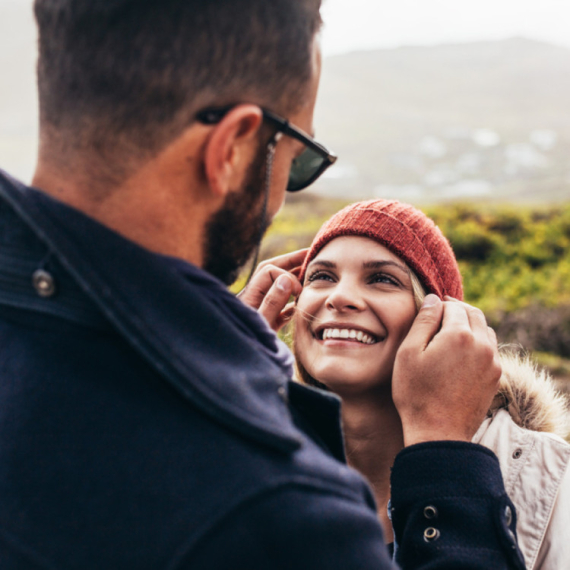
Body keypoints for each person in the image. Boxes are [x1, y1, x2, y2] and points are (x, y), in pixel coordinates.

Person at [0, 1, 525, 568]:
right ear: (230, 148)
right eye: (297, 161)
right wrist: (445, 460)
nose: (282, 201)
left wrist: (218, 359)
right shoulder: (282, 511)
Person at [249, 199, 570, 569]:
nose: (339, 297)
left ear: (441, 322)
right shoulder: (257, 465)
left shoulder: (548, 478)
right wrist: (222, 379)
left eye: (382, 279)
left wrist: (441, 447)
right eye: (321, 276)